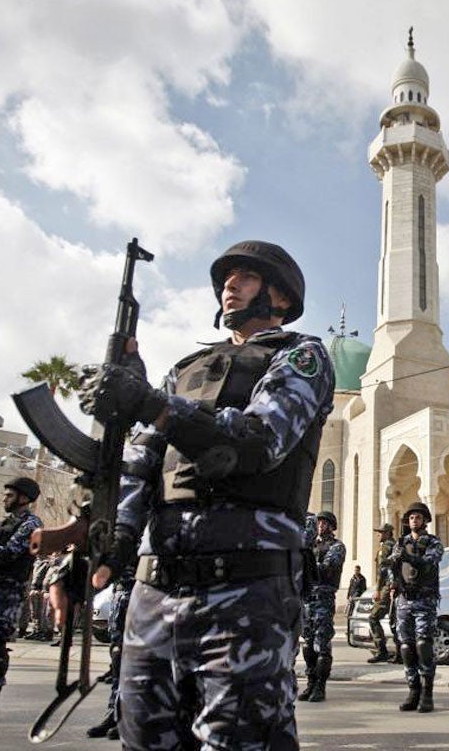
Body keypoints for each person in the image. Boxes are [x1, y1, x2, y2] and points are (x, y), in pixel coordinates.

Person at [78, 240, 334, 750]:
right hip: (155, 594)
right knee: (143, 740)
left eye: (245, 277)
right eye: (226, 278)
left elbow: (259, 440)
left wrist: (153, 403)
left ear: (279, 296)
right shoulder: (186, 369)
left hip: (244, 593)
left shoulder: (300, 356)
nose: (228, 286)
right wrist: (106, 536)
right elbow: (141, 465)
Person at [0, 477, 43, 722]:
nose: (5, 498)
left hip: (6, 594)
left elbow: (9, 553)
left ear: (24, 498)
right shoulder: (5, 523)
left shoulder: (31, 524)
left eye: (10, 495)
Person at [388, 502, 444, 713]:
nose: (414, 520)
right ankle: (413, 690)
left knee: (424, 645)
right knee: (406, 646)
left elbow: (429, 562)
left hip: (425, 600)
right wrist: (392, 580)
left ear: (425, 521)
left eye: (418, 517)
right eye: (411, 517)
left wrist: (408, 557)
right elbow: (392, 566)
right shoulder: (400, 543)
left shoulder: (433, 542)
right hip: (405, 599)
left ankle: (427, 694)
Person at [87, 537, 139, 741]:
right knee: (117, 658)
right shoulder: (124, 521)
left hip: (140, 594)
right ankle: (113, 713)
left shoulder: (147, 518)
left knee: (133, 662)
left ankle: (127, 717)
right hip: (119, 595)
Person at [298, 511, 345, 703]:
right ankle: (310, 683)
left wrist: (306, 562)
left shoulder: (336, 546)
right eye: (318, 523)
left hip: (323, 599)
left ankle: (320, 686)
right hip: (307, 598)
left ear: (331, 526)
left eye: (325, 523)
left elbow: (326, 568)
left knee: (322, 644)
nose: (320, 526)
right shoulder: (309, 545)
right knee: (308, 644)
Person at [367, 523, 397, 664]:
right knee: (394, 619)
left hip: (387, 586)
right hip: (393, 586)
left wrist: (378, 589)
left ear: (387, 533)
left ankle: (382, 651)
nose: (379, 535)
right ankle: (401, 653)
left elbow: (383, 570)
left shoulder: (386, 547)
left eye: (381, 533)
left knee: (374, 617)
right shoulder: (394, 545)